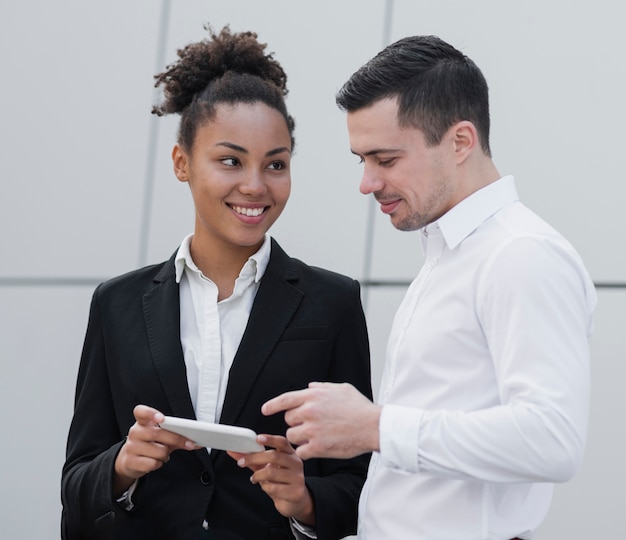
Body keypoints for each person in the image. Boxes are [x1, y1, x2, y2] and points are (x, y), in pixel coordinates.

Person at [262, 35, 597, 539]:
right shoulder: (449, 255)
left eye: (386, 159)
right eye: (362, 160)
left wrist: (375, 427)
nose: (367, 182)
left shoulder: (520, 254)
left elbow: (552, 439)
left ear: (461, 142)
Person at [61, 25, 371, 540]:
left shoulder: (333, 303)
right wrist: (121, 465)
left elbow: (361, 484)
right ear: (182, 163)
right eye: (230, 160)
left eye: (276, 164)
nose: (255, 185)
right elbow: (76, 484)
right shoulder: (116, 304)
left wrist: (306, 500)